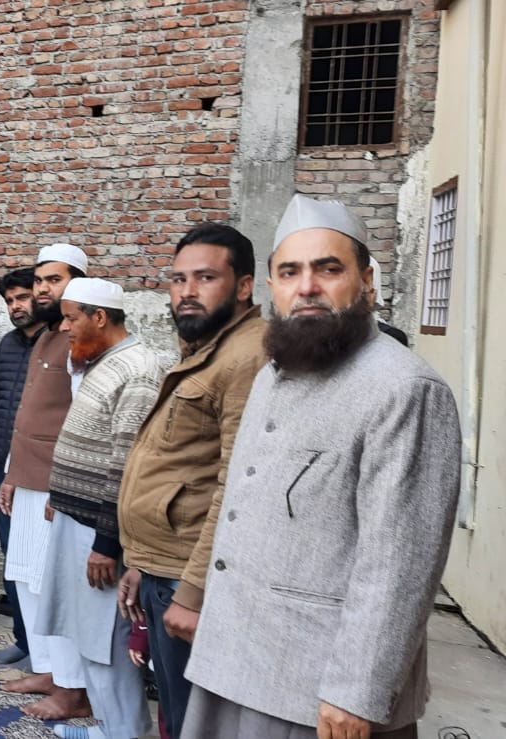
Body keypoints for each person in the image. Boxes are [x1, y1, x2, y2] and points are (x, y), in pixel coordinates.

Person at [183, 196, 463, 739]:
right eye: (290, 272)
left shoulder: (404, 389)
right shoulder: (274, 372)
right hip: (234, 658)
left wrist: (356, 692)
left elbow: (399, 566)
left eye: (328, 268)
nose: (306, 285)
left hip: (316, 689)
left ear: (368, 281)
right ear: (271, 286)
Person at [114, 223, 266, 738]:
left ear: (244, 286)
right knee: (174, 714)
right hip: (164, 567)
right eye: (178, 280)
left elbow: (237, 483)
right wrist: (140, 560)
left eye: (205, 278)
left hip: (191, 577)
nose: (187, 291)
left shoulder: (248, 356)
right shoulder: (209, 348)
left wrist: (193, 590)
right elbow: (178, 463)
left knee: (194, 723)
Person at [35, 278, 163, 739]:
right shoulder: (106, 362)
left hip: (101, 537)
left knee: (106, 645)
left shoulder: (138, 369)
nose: (65, 327)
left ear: (100, 317)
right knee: (87, 641)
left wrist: (107, 544)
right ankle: (109, 728)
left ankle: (126, 732)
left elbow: (126, 465)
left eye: (72, 318)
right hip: (78, 523)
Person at [0, 243, 91, 720]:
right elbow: (26, 415)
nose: (41, 289)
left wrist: (65, 487)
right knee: (30, 580)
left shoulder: (83, 338)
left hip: (58, 487)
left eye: (52, 280)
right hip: (27, 479)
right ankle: (50, 669)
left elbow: (82, 422)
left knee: (58, 587)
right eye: (39, 281)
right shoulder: (45, 337)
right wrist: (13, 474)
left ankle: (74, 689)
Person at [0, 266, 40, 666]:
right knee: (12, 556)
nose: (16, 307)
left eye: (22, 298)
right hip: (4, 465)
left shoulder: (58, 343)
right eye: (10, 301)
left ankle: (46, 649)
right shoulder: (6, 345)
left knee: (38, 561)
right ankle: (23, 638)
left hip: (40, 471)